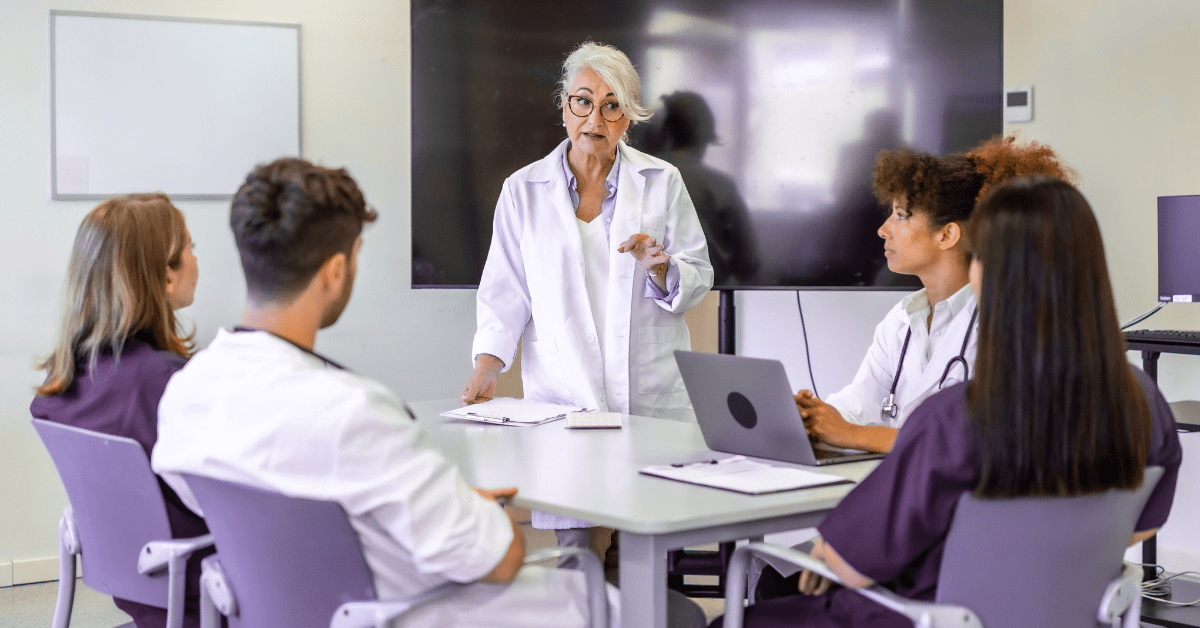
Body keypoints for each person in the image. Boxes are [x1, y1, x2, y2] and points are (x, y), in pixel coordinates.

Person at [150, 158, 619, 628]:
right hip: (408, 613)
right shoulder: (354, 412)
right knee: (612, 603)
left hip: (284, 614)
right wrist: (476, 508)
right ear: (336, 271)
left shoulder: (186, 393)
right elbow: (503, 559)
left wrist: (437, 499)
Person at [711, 175, 1183, 627]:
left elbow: (848, 565)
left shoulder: (956, 417)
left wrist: (830, 552)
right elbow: (1139, 529)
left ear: (991, 276)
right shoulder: (1145, 401)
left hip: (924, 616)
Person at [462, 40, 713, 580]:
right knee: (580, 555)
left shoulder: (662, 182)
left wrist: (661, 268)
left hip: (646, 396)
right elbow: (504, 290)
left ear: (629, 118)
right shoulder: (523, 190)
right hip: (566, 394)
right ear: (564, 106)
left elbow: (698, 275)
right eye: (583, 101)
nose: (594, 118)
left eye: (611, 105)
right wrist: (487, 365)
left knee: (646, 554)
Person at [797, 135, 1076, 455]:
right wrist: (810, 417)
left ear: (947, 234)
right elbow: (860, 405)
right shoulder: (901, 320)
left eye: (901, 215)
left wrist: (853, 434)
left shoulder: (1009, 323)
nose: (883, 229)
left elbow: (982, 443)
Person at [31, 193, 206, 628]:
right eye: (191, 247)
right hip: (204, 595)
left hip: (142, 590)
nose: (196, 258)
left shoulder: (61, 384)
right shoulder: (164, 383)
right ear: (166, 276)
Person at [652, 91, 759, 285]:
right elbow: (749, 261)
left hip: (651, 294)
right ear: (707, 133)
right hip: (711, 293)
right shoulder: (721, 187)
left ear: (666, 131)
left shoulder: (638, 177)